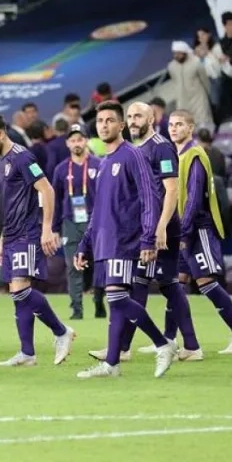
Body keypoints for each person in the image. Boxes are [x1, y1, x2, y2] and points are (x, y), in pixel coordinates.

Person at [74, 101, 178, 379]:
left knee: (117, 297)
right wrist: (85, 243)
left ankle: (162, 344)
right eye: (100, 121)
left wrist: (148, 239)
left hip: (126, 240)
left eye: (110, 120)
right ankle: (112, 364)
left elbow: (150, 197)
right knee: (116, 301)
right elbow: (98, 210)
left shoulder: (133, 155)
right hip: (106, 242)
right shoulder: (104, 162)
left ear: (121, 125)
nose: (104, 125)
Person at [0, 112, 75, 368]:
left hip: (28, 232)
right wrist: (1, 241)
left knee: (20, 289)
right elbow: (9, 206)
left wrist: (47, 228)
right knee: (17, 293)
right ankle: (27, 353)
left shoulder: (22, 157)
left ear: (0, 134)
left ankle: (61, 331)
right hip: (12, 234)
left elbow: (47, 189)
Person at [109, 102, 201, 361]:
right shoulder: (136, 148)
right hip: (146, 228)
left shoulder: (161, 146)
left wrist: (160, 227)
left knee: (146, 283)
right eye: (129, 116)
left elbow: (172, 189)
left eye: (138, 116)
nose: (133, 120)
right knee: (163, 284)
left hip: (162, 229)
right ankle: (190, 346)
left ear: (151, 119)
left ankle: (123, 348)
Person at [169, 110, 232, 354]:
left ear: (191, 128)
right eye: (171, 124)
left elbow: (194, 198)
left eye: (179, 124)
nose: (173, 128)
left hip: (198, 228)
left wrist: (183, 231)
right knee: (175, 282)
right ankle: (168, 340)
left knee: (206, 281)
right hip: (185, 228)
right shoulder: (177, 155)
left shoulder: (195, 155)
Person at [50, 124, 104, 320]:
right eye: (72, 140)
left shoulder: (99, 165)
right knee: (73, 266)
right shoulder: (61, 169)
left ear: (86, 141)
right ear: (67, 143)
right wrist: (54, 228)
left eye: (80, 139)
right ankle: (77, 309)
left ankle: (98, 301)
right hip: (71, 222)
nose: (76, 144)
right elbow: (56, 200)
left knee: (99, 264)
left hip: (96, 222)